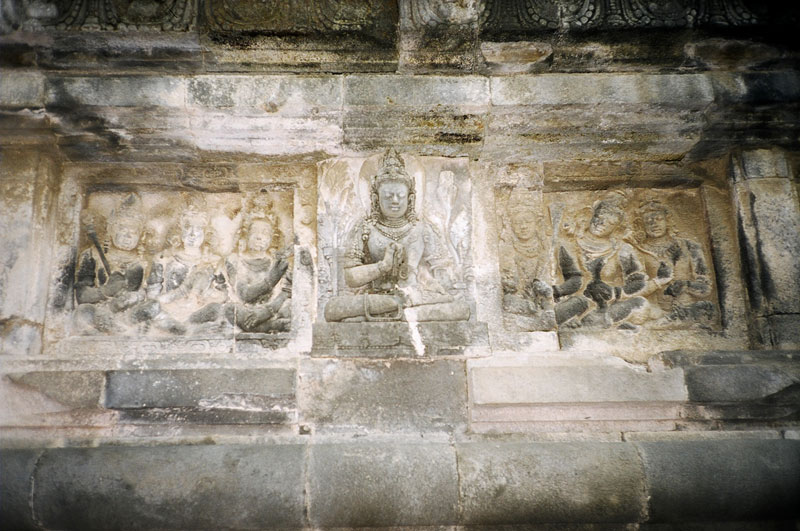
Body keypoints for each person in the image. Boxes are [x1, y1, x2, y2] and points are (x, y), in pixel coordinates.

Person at [324, 149, 470, 322]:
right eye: (388, 196)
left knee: (460, 308)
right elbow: (350, 278)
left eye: (400, 196)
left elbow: (444, 274)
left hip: (413, 296)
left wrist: (435, 283)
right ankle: (395, 309)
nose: (395, 201)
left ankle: (394, 310)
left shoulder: (422, 229)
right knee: (332, 308)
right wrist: (382, 267)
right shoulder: (365, 229)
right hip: (375, 297)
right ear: (376, 199)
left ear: (410, 199)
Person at [555, 193, 648, 329]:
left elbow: (639, 282)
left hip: (608, 305)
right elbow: (564, 279)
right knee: (576, 303)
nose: (601, 223)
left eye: (610, 222)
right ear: (590, 216)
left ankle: (590, 323)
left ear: (617, 227)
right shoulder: (568, 244)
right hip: (574, 301)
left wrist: (614, 292)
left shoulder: (623, 249)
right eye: (598, 217)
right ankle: (582, 322)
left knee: (641, 304)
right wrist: (556, 291)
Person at [146, 204, 229, 334]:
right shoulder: (164, 257)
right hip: (169, 309)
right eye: (188, 228)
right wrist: (176, 296)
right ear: (179, 231)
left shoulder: (214, 260)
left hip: (199, 311)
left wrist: (203, 295)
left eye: (198, 229)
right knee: (151, 309)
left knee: (218, 310)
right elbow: (152, 294)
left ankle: (187, 327)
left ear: (205, 234)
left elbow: (224, 295)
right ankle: (184, 329)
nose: (192, 234)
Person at [74, 194, 149, 334]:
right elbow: (82, 296)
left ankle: (124, 331)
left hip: (129, 314)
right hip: (102, 309)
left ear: (140, 236)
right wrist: (107, 290)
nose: (128, 236)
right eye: (123, 229)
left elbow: (148, 294)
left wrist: (136, 296)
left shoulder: (142, 262)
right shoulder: (92, 255)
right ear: (111, 230)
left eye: (133, 232)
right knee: (83, 312)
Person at [633, 199, 714, 323]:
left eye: (659, 219)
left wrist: (685, 285)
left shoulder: (689, 246)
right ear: (641, 225)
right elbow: (633, 288)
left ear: (668, 221)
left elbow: (706, 287)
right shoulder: (637, 250)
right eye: (648, 221)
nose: (654, 224)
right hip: (653, 312)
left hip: (686, 308)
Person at [225, 209, 291, 333]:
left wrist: (266, 312)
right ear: (246, 234)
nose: (259, 237)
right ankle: (272, 326)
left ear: (272, 238)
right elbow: (244, 294)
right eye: (254, 232)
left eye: (265, 233)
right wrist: (270, 281)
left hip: (271, 310)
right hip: (246, 310)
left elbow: (286, 293)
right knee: (230, 309)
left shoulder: (275, 262)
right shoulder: (235, 260)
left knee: (292, 309)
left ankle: (270, 325)